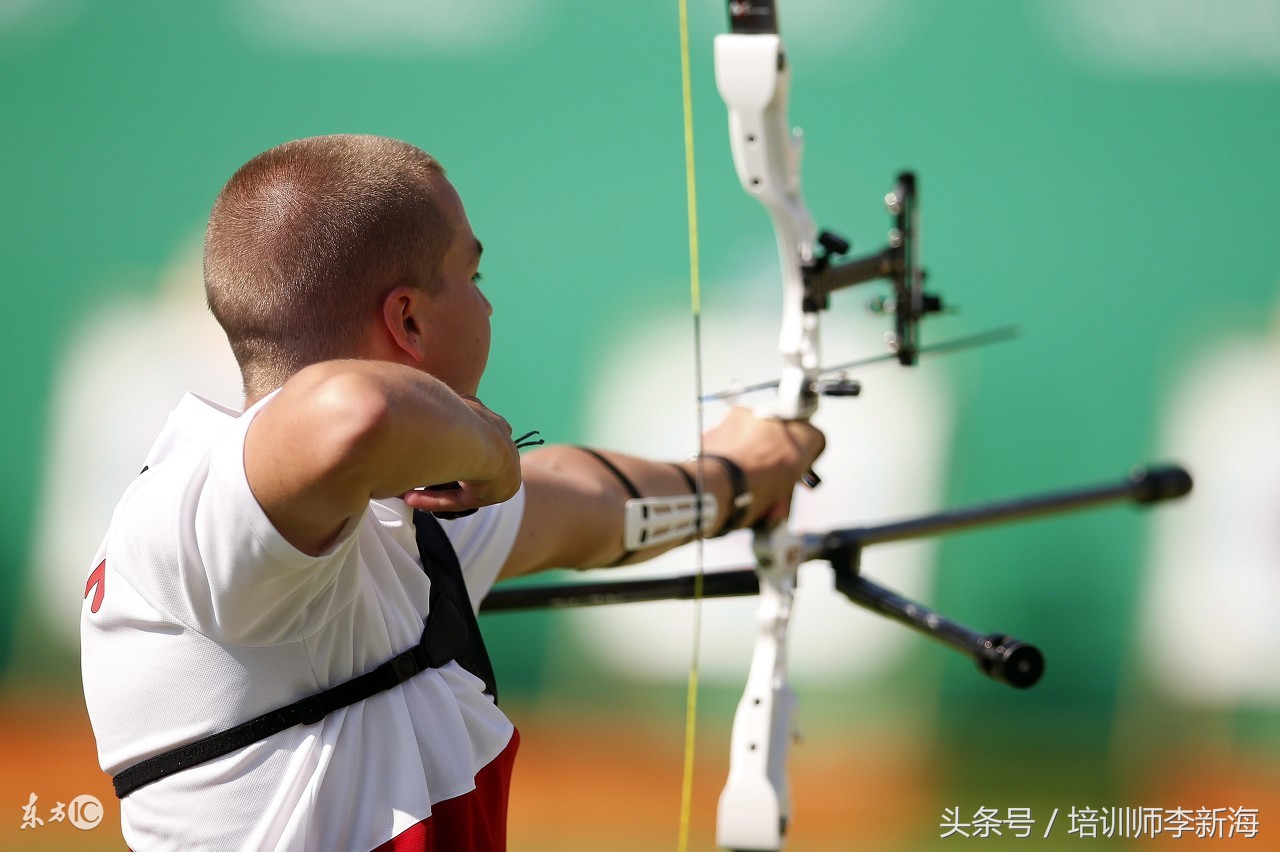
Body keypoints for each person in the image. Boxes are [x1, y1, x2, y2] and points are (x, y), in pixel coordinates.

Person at [80, 134, 823, 851]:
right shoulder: (187, 525)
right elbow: (353, 413)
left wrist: (736, 479)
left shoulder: (393, 520)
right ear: (407, 318)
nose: (488, 307)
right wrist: (487, 449)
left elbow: (582, 507)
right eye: (474, 277)